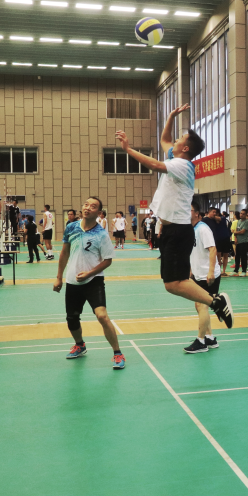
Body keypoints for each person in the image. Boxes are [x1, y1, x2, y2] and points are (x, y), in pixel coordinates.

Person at [115, 104, 233, 329]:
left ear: (186, 148)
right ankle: (216, 302)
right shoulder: (176, 159)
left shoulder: (183, 165)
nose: (175, 140)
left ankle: (216, 302)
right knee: (172, 284)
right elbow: (165, 139)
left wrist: (128, 149)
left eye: (181, 139)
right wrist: (171, 116)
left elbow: (154, 164)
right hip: (171, 230)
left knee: (174, 284)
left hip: (178, 230)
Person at [54, 196, 125, 369]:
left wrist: (89, 273)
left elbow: (108, 260)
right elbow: (64, 253)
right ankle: (80, 345)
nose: (87, 208)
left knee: (102, 316)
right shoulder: (71, 227)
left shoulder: (101, 234)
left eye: (92, 206)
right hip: (73, 281)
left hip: (94, 280)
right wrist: (59, 277)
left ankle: (117, 353)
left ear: (99, 213)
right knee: (72, 318)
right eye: (86, 204)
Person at [184, 200, 225, 353]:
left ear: (196, 213)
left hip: (208, 275)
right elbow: (193, 252)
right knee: (199, 306)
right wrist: (191, 271)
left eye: (189, 209)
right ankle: (210, 338)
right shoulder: (191, 229)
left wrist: (211, 272)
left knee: (202, 306)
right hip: (197, 274)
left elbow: (213, 250)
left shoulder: (203, 229)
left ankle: (201, 341)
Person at [211, 208, 233, 276]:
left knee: (225, 255)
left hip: (225, 239)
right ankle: (219, 271)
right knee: (218, 256)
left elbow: (217, 218)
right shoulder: (212, 221)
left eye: (214, 212)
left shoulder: (223, 218)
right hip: (217, 239)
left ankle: (223, 271)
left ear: (217, 213)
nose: (213, 214)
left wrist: (210, 215)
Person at [232, 210, 248, 276]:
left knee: (243, 257)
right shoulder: (239, 221)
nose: (241, 215)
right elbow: (237, 230)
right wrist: (236, 239)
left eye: (243, 214)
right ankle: (236, 270)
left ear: (246, 215)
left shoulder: (246, 222)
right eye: (241, 213)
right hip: (238, 242)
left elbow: (242, 231)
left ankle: (244, 271)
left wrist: (235, 233)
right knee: (237, 257)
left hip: (244, 242)